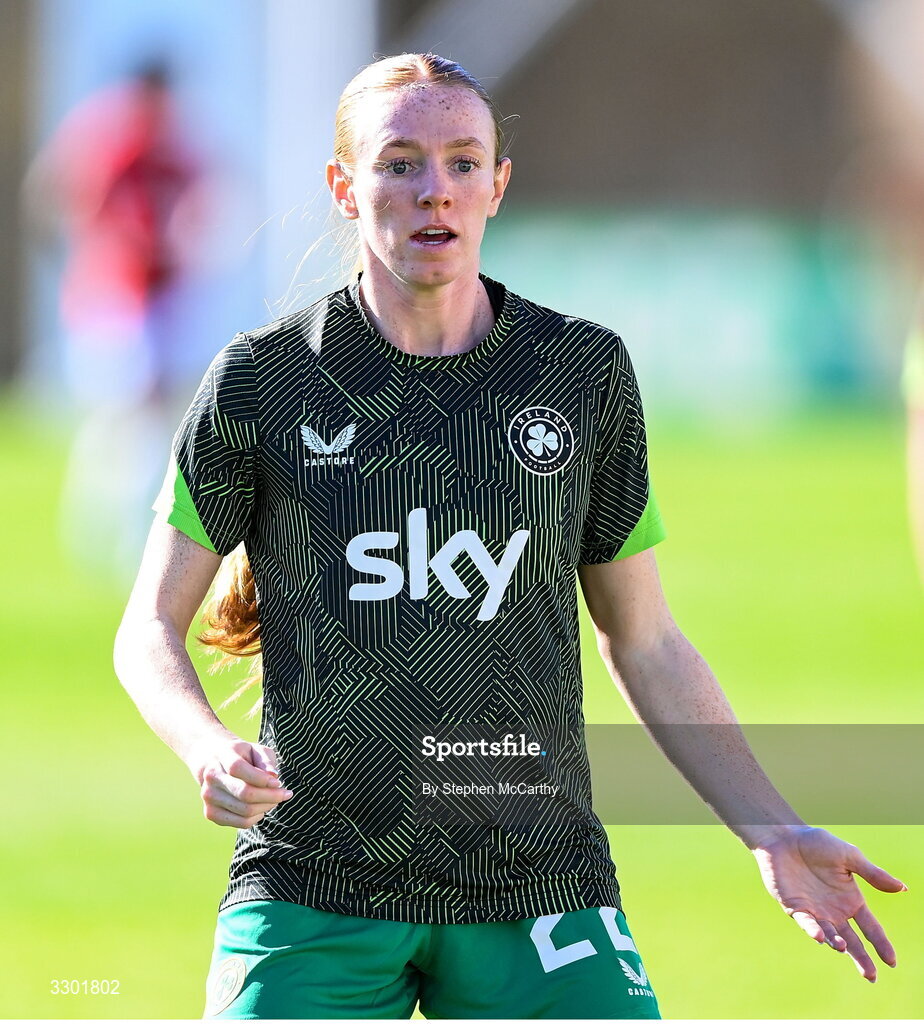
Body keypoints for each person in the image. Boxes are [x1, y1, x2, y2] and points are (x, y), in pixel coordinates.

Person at [113, 52, 907, 1020]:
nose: (431, 190)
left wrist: (770, 828)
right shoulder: (260, 382)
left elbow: (644, 639)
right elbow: (148, 628)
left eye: (459, 162)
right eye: (398, 162)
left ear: (497, 185)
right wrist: (205, 744)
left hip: (536, 883)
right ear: (344, 187)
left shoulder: (581, 376)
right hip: (314, 884)